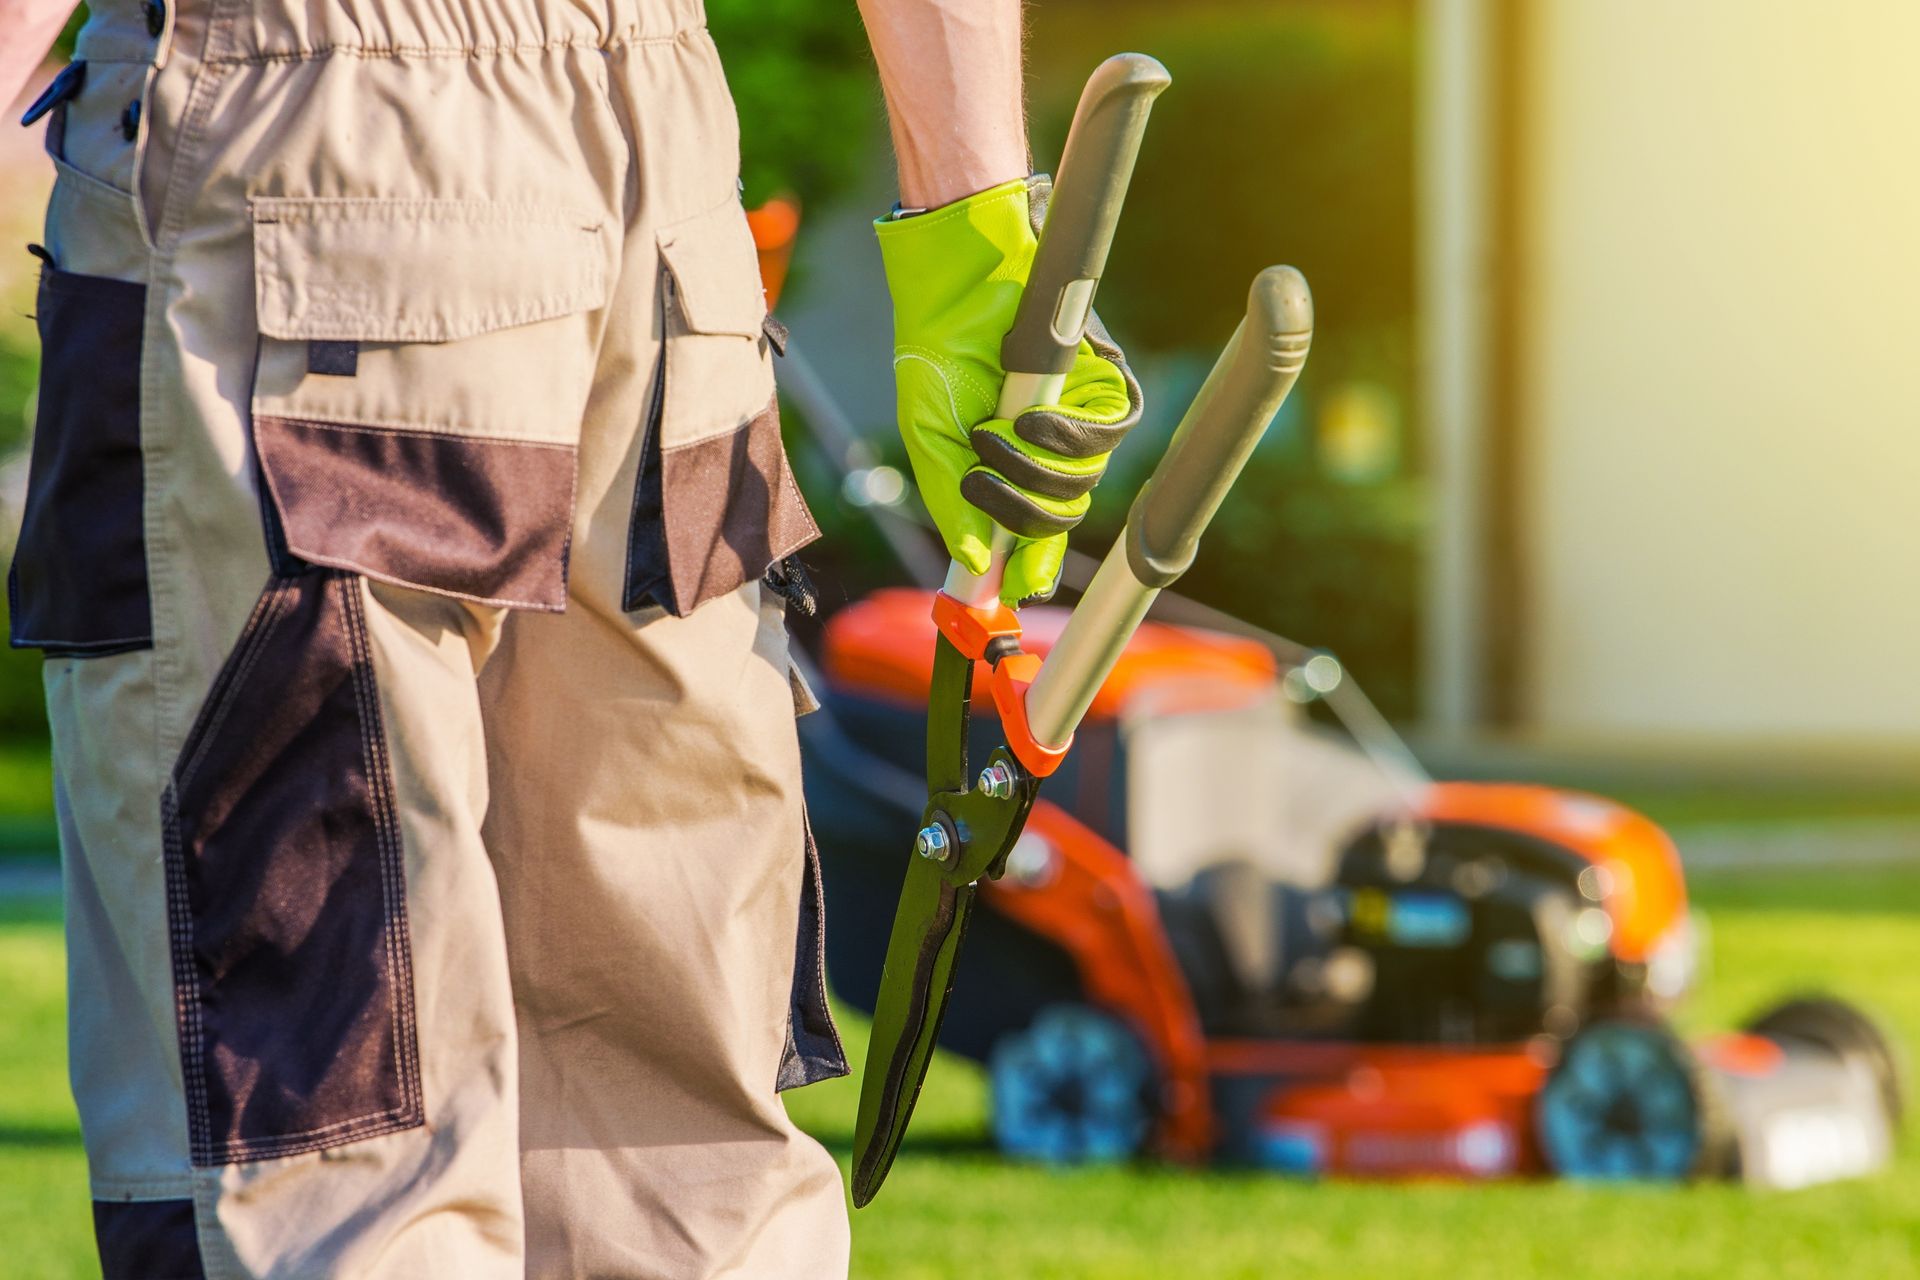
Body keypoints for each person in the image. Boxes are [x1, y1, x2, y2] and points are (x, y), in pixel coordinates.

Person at [0, 0, 1136, 1273]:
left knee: (324, 1144)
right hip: (662, 188)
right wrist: (973, 231)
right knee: (669, 1170)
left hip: (296, 148)